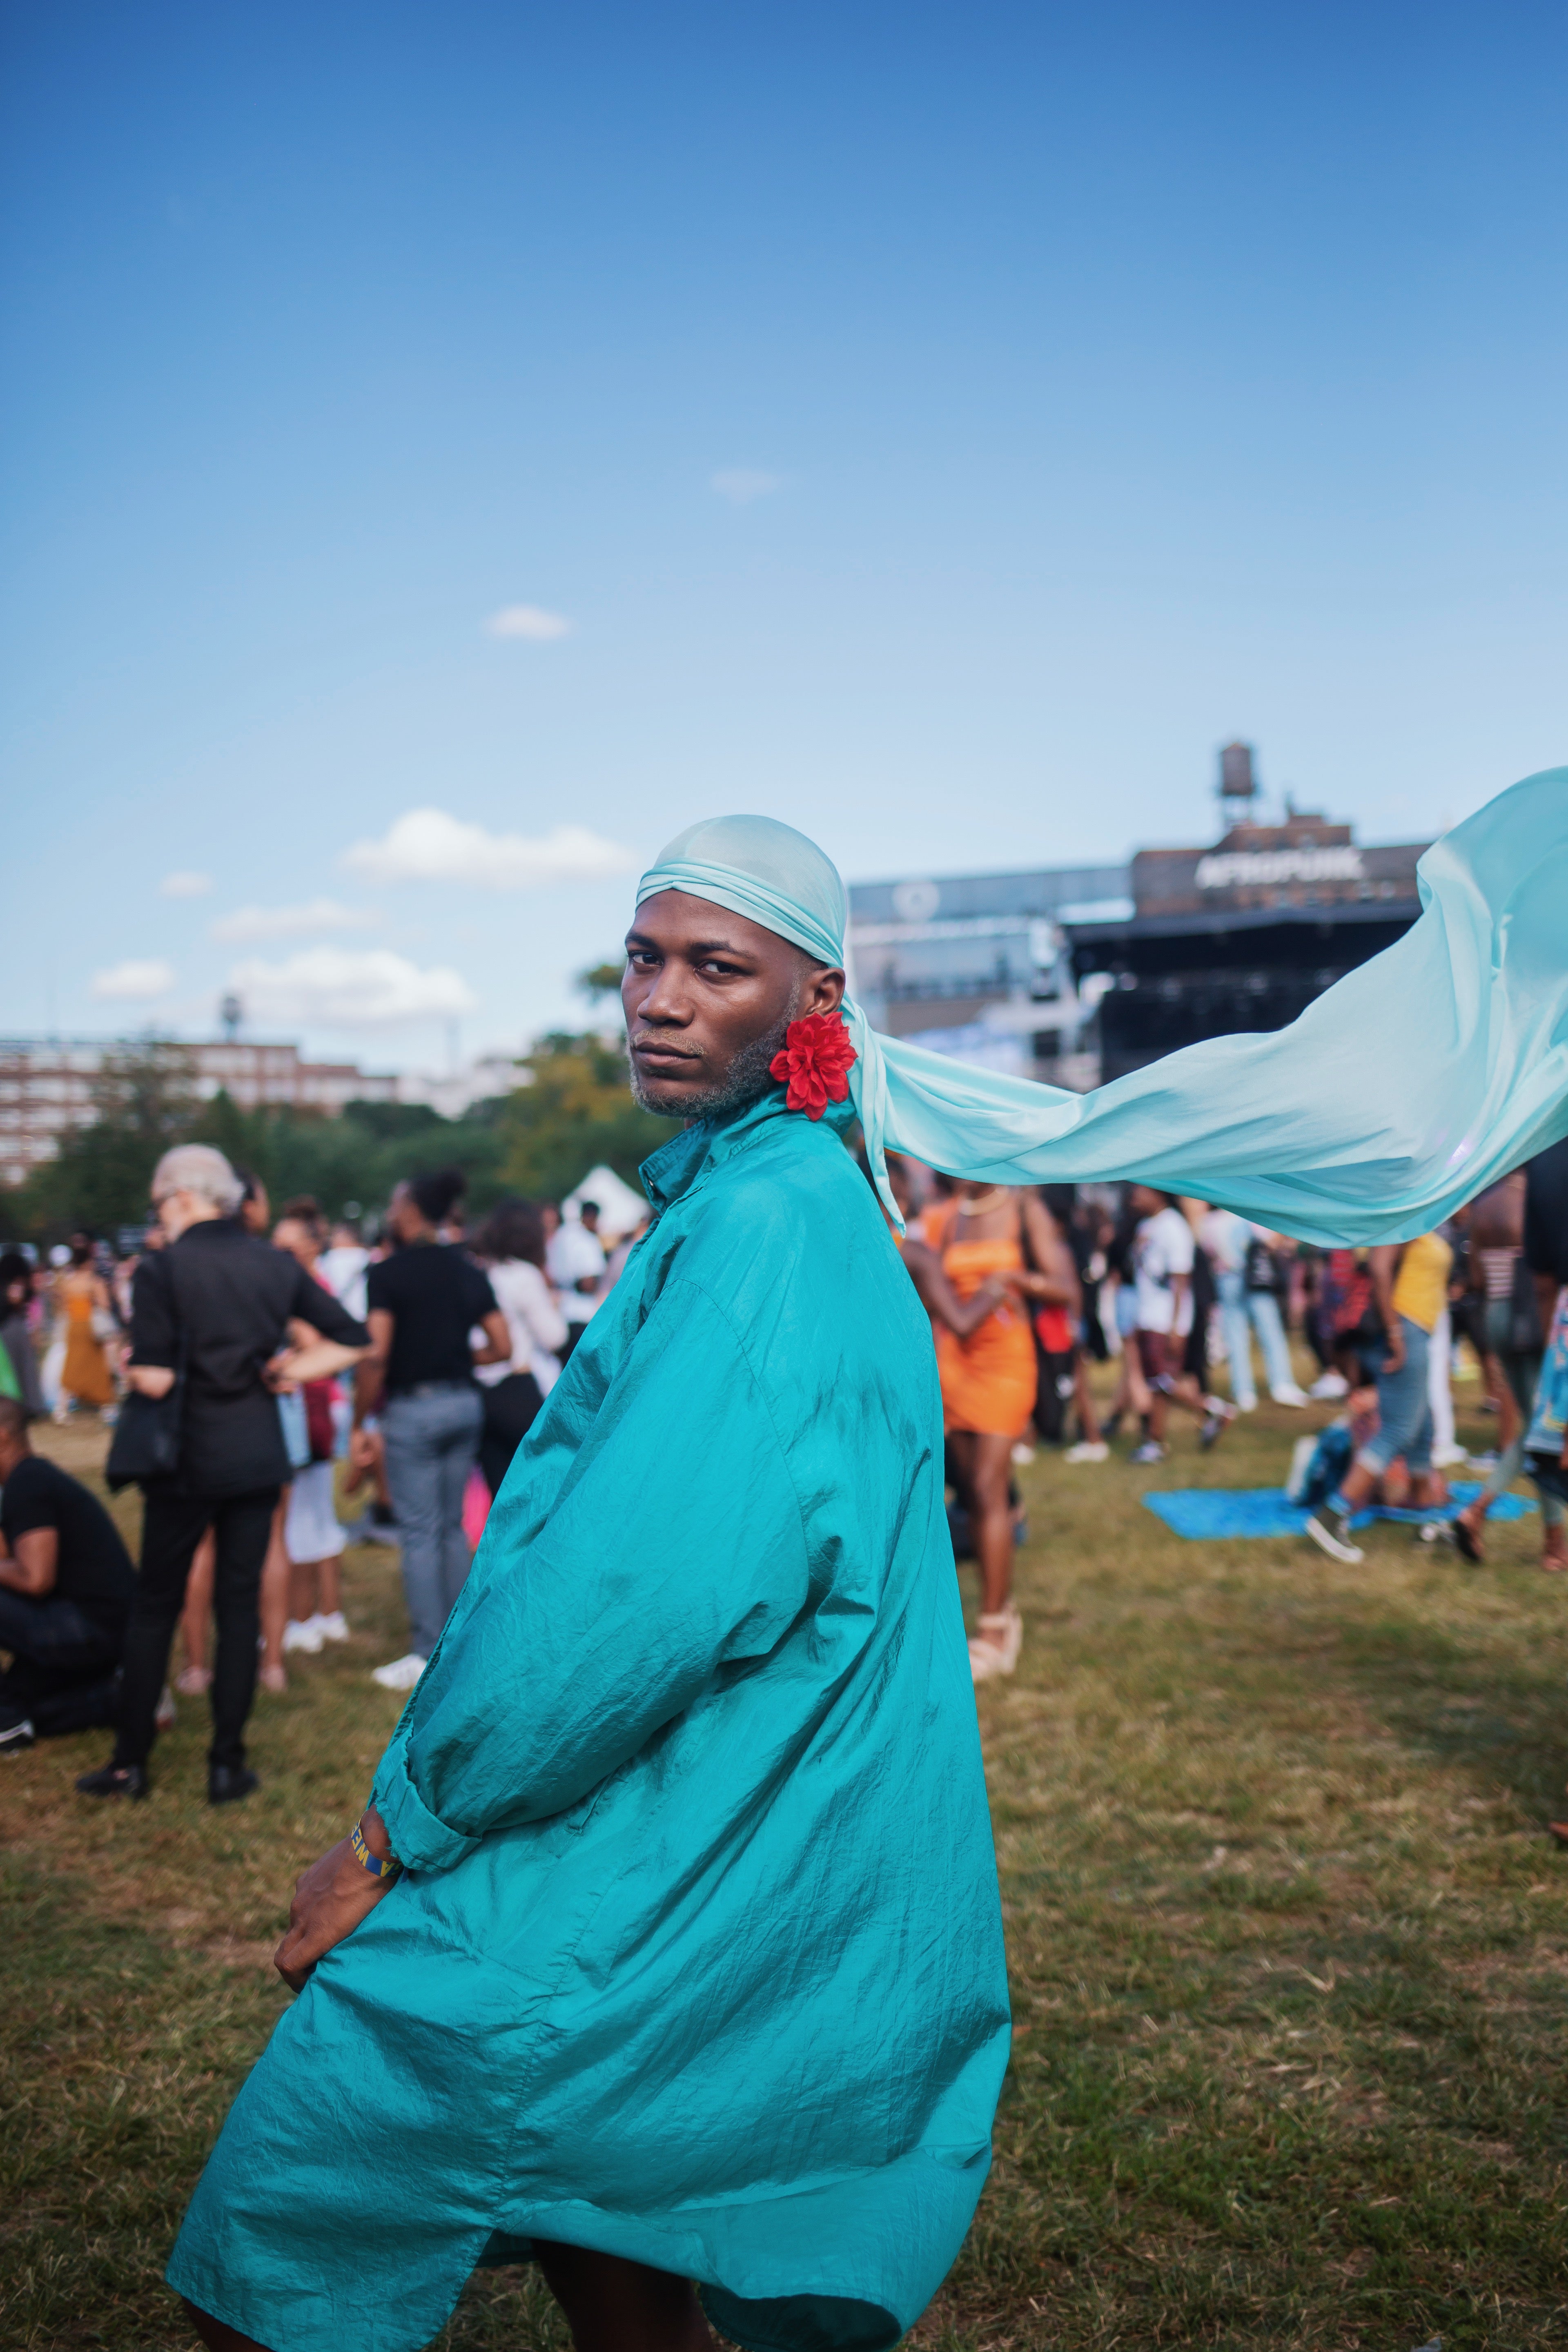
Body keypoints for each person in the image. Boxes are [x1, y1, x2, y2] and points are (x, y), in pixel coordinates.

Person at [171, 819, 1013, 2352]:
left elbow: (627, 1605)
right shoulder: (760, 1193)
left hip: (659, 1829)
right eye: (644, 956)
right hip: (685, 1811)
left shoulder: (766, 1219)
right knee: (599, 2231)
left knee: (295, 2198)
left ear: (816, 1000)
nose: (661, 999)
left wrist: (387, 1835)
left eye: (715, 965)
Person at [75, 1145, 369, 1805]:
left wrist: (132, 1368)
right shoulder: (272, 1263)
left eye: (159, 1204)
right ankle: (226, 1766)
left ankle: (131, 1764)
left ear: (181, 1195)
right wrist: (284, 1371)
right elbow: (350, 1339)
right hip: (256, 1450)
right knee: (240, 1609)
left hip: (182, 1456)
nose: (159, 1217)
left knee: (156, 1605)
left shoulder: (161, 1270)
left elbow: (153, 1375)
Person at [353, 1169, 511, 1692]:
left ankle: (426, 1652)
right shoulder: (466, 1269)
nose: (392, 1212)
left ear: (414, 1211)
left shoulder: (389, 1274)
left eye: (397, 1203)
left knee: (420, 1531)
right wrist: (453, 1357)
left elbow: (375, 1354)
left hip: (414, 1410)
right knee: (448, 1528)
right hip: (463, 1403)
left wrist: (359, 1418)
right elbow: (502, 1345)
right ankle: (461, 1642)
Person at [921, 1180, 1066, 1678]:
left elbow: (1064, 1288)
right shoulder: (945, 1217)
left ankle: (996, 1624)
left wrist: (1015, 1282)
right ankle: (995, 1610)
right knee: (975, 1494)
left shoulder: (1025, 1208)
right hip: (956, 1361)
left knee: (989, 1487)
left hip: (1006, 1359)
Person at [1303, 1227, 1454, 1564]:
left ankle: (1425, 1515)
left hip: (1413, 1328)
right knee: (1399, 1430)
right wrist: (1396, 1333)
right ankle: (1332, 1516)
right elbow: (1378, 1268)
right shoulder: (1403, 1215)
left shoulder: (1421, 1213)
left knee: (1423, 1427)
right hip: (1404, 1327)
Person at [0, 1396, 136, 1754]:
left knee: (12, 1706)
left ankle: (8, 1723)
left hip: (88, 1627)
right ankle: (121, 1698)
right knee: (18, 1699)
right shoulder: (31, 1479)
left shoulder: (26, 1483)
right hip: (108, 1631)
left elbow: (34, 1579)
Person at [273, 1201, 353, 1658]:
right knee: (319, 1518)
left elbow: (312, 1344)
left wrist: (285, 1363)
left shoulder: (301, 1291)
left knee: (300, 1521)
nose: (277, 1254)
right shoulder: (316, 1284)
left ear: (309, 1247)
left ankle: (301, 1621)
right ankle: (330, 1613)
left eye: (286, 1247)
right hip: (322, 1407)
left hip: (308, 1409)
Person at [1126, 1185, 1233, 1462]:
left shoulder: (1174, 1227)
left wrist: (1177, 1326)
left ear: (1159, 1193)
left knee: (1162, 1382)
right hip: (1148, 1314)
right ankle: (1156, 1440)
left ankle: (1211, 1409)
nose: (1134, 1196)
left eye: (1141, 1191)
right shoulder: (1148, 1226)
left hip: (1165, 1318)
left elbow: (1181, 1281)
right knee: (1157, 1383)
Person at [472, 1200, 568, 1500]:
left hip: (481, 1392)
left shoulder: (480, 1272)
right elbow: (554, 1337)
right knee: (542, 1490)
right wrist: (555, 1306)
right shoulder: (523, 1275)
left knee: (499, 1497)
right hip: (517, 1386)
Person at [1201, 1207, 1308, 1408]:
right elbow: (1270, 1242)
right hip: (1255, 1280)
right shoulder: (1247, 1216)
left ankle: (1243, 1391)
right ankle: (1281, 1383)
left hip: (1226, 1279)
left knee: (1235, 1336)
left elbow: (1208, 1252)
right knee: (1270, 1332)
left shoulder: (1210, 1222)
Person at [52, 1234, 116, 1420]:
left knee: (71, 1365)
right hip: (90, 1327)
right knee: (98, 1365)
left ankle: (62, 1407)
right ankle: (106, 1405)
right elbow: (105, 1305)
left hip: (73, 1327)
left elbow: (61, 1307)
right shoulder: (94, 1282)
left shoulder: (67, 1282)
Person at [546, 1198, 606, 1363]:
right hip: (583, 1316)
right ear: (591, 1217)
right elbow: (588, 1283)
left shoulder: (559, 1237)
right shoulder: (587, 1240)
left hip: (560, 1314)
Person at [0, 1250, 46, 1419]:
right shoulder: (15, 1287)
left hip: (6, 1333)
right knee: (21, 1370)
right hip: (14, 1331)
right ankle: (27, 1406)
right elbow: (18, 1301)